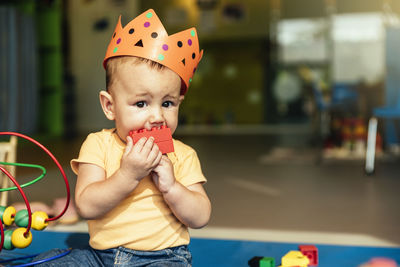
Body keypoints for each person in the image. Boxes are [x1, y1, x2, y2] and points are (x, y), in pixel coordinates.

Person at [34, 9, 211, 266]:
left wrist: (172, 187)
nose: (157, 116)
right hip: (99, 256)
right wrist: (128, 175)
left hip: (163, 258)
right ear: (110, 106)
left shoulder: (182, 155)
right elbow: (86, 206)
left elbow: (201, 217)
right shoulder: (98, 144)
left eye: (168, 103)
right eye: (141, 103)